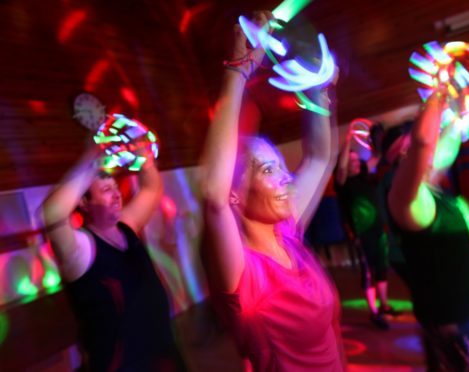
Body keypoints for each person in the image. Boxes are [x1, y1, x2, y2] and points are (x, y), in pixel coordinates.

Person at [200, 12, 345, 372]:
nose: (286, 178)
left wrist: (319, 90)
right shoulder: (245, 276)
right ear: (236, 194)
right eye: (267, 170)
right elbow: (212, 195)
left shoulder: (287, 233)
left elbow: (320, 157)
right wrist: (238, 70)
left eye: (281, 166)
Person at [385, 90, 469, 371]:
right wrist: (439, 90)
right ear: (402, 160)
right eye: (408, 153)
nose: (435, 149)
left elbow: (447, 141)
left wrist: (463, 109)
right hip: (457, 324)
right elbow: (424, 143)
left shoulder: (432, 191)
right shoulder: (407, 200)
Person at [42, 145, 185, 371]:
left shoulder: (126, 225)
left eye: (116, 188)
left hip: (163, 355)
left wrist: (144, 156)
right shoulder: (81, 247)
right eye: (107, 190)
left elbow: (151, 189)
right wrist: (93, 154)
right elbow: (52, 214)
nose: (117, 195)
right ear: (84, 202)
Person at [334, 126, 398, 330]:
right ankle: (374, 312)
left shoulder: (366, 177)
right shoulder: (343, 183)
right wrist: (348, 140)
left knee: (381, 266)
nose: (354, 162)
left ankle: (385, 305)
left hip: (378, 230)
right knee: (368, 271)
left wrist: (376, 139)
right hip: (360, 235)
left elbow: (378, 157)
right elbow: (342, 168)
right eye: (350, 160)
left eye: (355, 159)